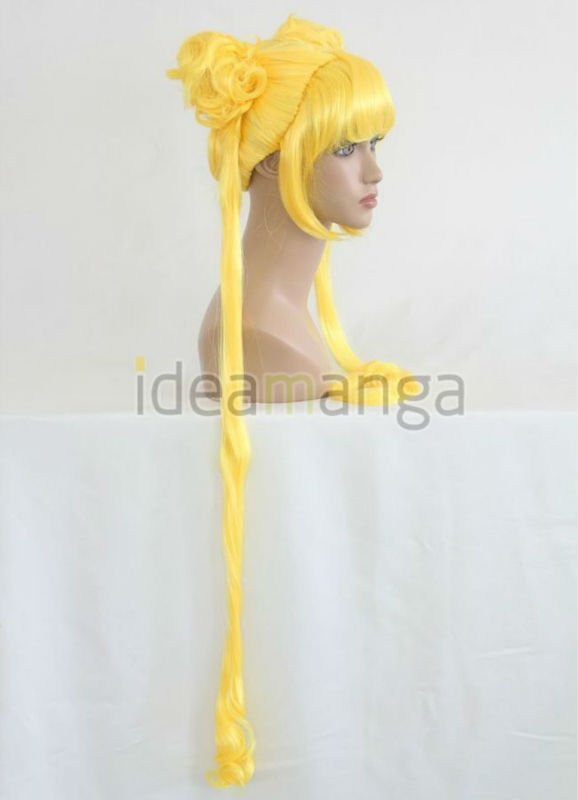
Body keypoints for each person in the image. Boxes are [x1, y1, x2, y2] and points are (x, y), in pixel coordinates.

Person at [166, 14, 421, 787]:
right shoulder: (254, 332)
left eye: (375, 144)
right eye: (345, 149)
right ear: (275, 162)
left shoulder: (276, 319)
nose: (374, 172)